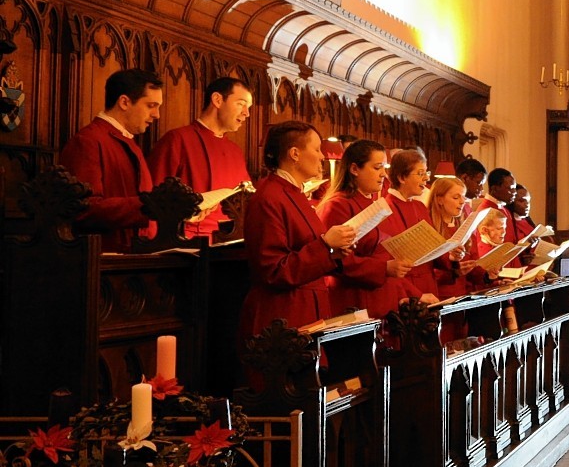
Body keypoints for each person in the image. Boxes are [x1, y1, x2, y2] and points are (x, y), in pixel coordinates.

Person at [240, 121, 355, 343]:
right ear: (295, 153)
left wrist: (336, 251)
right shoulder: (269, 197)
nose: (322, 156)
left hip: (304, 310)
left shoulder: (293, 193)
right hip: (282, 318)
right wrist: (326, 246)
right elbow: (273, 271)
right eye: (316, 149)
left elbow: (307, 250)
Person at [58, 68, 163, 251]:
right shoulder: (88, 141)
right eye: (151, 105)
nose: (157, 115)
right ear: (124, 102)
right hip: (106, 259)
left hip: (137, 256)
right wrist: (150, 205)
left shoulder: (127, 141)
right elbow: (83, 208)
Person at [317, 141, 419, 319]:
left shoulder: (372, 204)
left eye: (384, 168)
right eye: (377, 167)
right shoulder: (337, 205)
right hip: (353, 300)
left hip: (381, 297)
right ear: (355, 169)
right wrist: (384, 268)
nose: (383, 175)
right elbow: (337, 261)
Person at [148, 76, 254, 238]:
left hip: (228, 241)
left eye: (249, 107)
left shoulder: (235, 151)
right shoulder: (178, 139)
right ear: (217, 100)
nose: (246, 113)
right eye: (241, 104)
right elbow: (154, 198)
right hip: (188, 241)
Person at [378, 148, 442, 301]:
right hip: (407, 292)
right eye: (420, 173)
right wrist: (416, 295)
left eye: (426, 173)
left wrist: (451, 256)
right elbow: (390, 264)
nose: (426, 179)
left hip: (428, 284)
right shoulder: (384, 210)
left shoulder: (419, 207)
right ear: (401, 177)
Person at [426, 175, 484, 299]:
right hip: (439, 297)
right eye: (456, 197)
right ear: (440, 200)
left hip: (461, 296)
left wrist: (489, 273)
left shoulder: (463, 227)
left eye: (463, 197)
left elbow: (474, 262)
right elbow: (426, 271)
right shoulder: (429, 228)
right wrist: (454, 272)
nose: (462, 201)